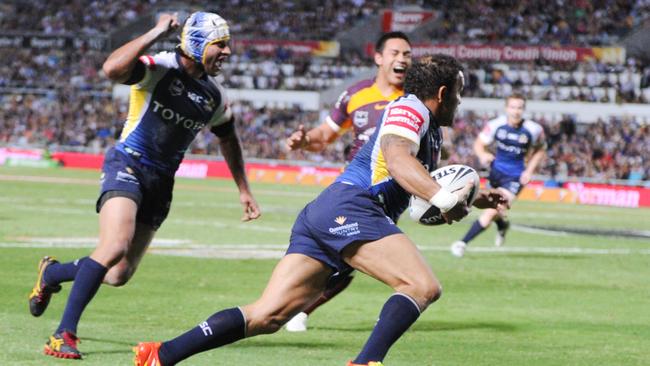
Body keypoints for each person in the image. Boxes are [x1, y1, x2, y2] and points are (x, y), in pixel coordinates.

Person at [133, 54, 508, 366]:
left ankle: (161, 354)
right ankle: (365, 363)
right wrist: (443, 199)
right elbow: (396, 158)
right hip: (354, 207)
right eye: (459, 93)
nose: (461, 102)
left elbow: (416, 175)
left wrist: (474, 197)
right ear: (443, 92)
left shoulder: (428, 127)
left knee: (267, 315)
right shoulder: (410, 108)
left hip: (329, 212)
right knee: (421, 286)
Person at [27, 11, 261, 359]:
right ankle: (63, 334)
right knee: (114, 247)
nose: (227, 52)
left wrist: (243, 188)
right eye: (220, 44)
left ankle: (53, 273)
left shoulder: (214, 96)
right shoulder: (160, 67)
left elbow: (228, 138)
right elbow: (112, 69)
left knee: (119, 274)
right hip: (128, 164)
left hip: (161, 182)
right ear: (196, 44)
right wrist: (156, 31)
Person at [283, 31, 412, 332]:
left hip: (392, 193)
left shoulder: (412, 100)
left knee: (348, 259)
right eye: (396, 53)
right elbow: (324, 135)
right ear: (379, 58)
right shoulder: (356, 94)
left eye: (407, 54)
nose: (403, 59)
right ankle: (295, 310)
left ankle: (294, 309)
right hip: (355, 189)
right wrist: (304, 141)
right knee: (346, 257)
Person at [450, 93, 545, 257]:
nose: (516, 111)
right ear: (507, 108)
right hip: (496, 173)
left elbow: (541, 149)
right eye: (513, 107)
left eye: (520, 108)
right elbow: (479, 144)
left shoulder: (533, 129)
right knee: (494, 209)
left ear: (524, 109)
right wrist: (483, 155)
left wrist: (529, 170)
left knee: (491, 211)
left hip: (516, 177)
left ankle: (462, 243)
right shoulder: (496, 125)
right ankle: (502, 225)